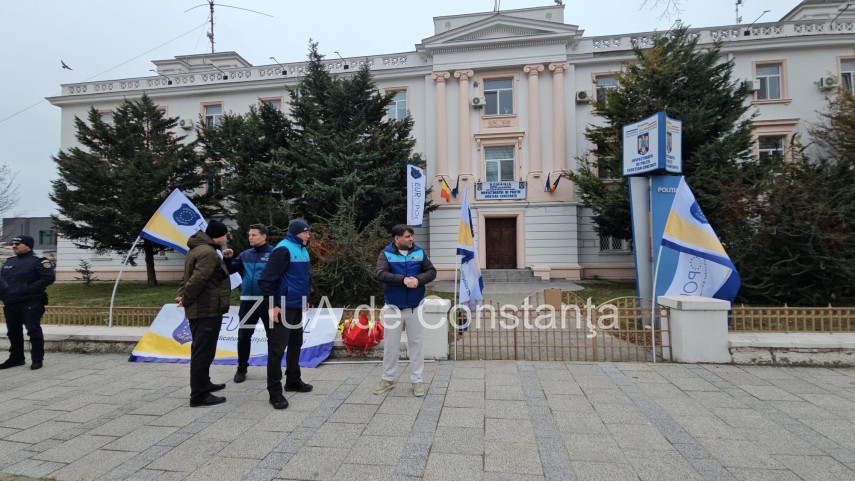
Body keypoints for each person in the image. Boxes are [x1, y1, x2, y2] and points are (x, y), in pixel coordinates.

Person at [374, 224, 436, 397]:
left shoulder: (419, 252)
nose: (411, 239)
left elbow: (431, 271)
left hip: (415, 307)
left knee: (416, 344)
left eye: (411, 236)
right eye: (408, 236)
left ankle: (417, 381)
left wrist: (418, 279)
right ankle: (388, 379)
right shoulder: (386, 254)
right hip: (393, 306)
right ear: (397, 239)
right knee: (391, 345)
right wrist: (403, 280)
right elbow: (380, 274)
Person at [258, 219, 314, 410]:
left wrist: (305, 299)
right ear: (297, 233)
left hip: (296, 305)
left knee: (296, 343)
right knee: (277, 350)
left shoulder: (302, 249)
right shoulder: (283, 249)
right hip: (282, 306)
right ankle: (275, 393)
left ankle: (293, 380)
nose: (308, 235)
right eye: (306, 232)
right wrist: (272, 306)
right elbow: (266, 280)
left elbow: (301, 279)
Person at [177, 221, 231, 407]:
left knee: (203, 350)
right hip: (205, 309)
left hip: (203, 308)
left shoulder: (198, 249)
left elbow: (187, 276)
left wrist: (182, 295)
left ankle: (204, 383)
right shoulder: (208, 253)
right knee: (203, 352)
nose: (227, 238)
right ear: (219, 235)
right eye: (226, 235)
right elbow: (198, 279)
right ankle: (199, 395)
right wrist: (186, 297)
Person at [224, 223, 274, 383]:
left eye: (254, 235)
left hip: (267, 302)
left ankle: (273, 370)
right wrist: (227, 258)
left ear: (264, 236)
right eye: (249, 235)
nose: (250, 237)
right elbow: (230, 270)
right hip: (248, 302)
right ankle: (241, 369)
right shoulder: (245, 254)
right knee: (244, 336)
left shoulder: (274, 253)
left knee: (272, 337)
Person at [0, 235, 55, 370]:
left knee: (33, 331)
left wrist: (27, 290)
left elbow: (48, 278)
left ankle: (37, 359)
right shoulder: (9, 261)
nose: (14, 246)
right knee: (13, 332)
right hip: (11, 303)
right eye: (13, 244)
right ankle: (16, 358)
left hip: (31, 302)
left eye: (18, 244)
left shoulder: (39, 261)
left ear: (28, 245)